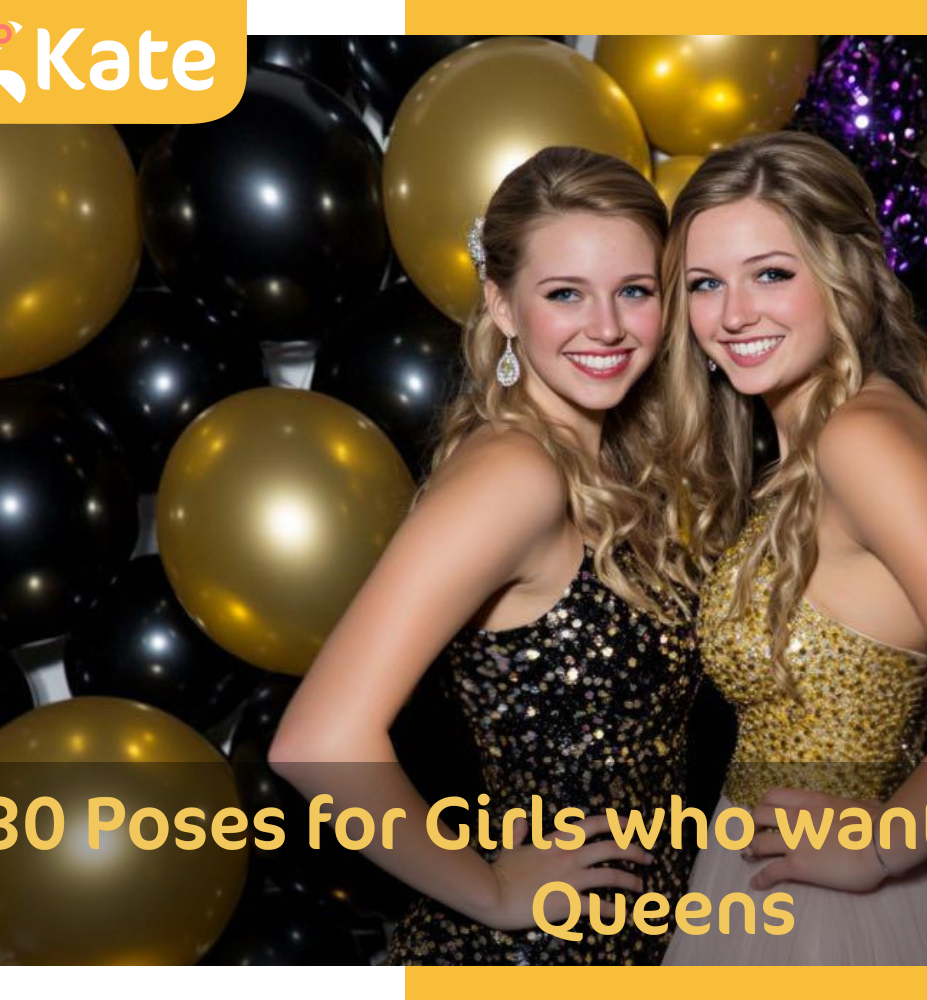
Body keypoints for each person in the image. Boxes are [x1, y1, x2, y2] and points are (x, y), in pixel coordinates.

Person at [268, 146, 702, 965]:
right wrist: (494, 892)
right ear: (502, 304)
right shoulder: (515, 476)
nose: (607, 327)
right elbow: (317, 741)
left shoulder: (607, 464)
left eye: (635, 291)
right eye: (565, 293)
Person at [659, 132, 927, 965]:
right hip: (765, 874)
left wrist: (880, 848)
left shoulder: (863, 440)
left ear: (842, 275)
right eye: (706, 284)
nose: (734, 314)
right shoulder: (812, 443)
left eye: (771, 274)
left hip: (847, 911)